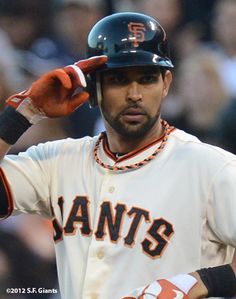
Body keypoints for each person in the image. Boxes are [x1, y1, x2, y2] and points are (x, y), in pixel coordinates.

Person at [0, 12, 235, 299]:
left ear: (166, 84)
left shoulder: (212, 168)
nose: (134, 94)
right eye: (119, 79)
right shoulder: (57, 162)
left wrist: (204, 281)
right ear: (94, 88)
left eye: (147, 78)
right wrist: (21, 115)